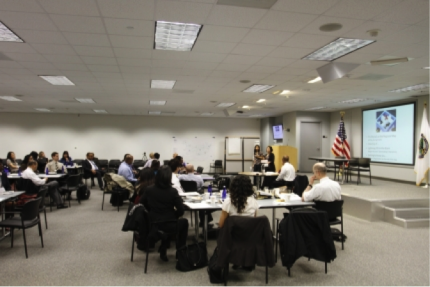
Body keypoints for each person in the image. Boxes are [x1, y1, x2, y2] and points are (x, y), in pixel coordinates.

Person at [141, 166, 189, 262]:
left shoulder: (149, 189)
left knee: (165, 226)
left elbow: (141, 204)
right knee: (184, 222)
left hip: (153, 224)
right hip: (169, 223)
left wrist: (150, 211)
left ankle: (164, 247)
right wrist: (174, 215)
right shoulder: (173, 191)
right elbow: (181, 210)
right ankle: (180, 250)